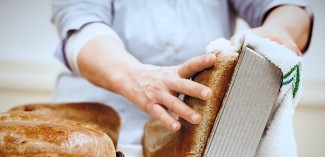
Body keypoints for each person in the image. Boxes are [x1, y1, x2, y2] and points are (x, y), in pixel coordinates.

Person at [51, 0, 313, 145]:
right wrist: (136, 77)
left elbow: (291, 9)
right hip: (91, 137)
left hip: (197, 145)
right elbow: (82, 31)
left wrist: (278, 28)